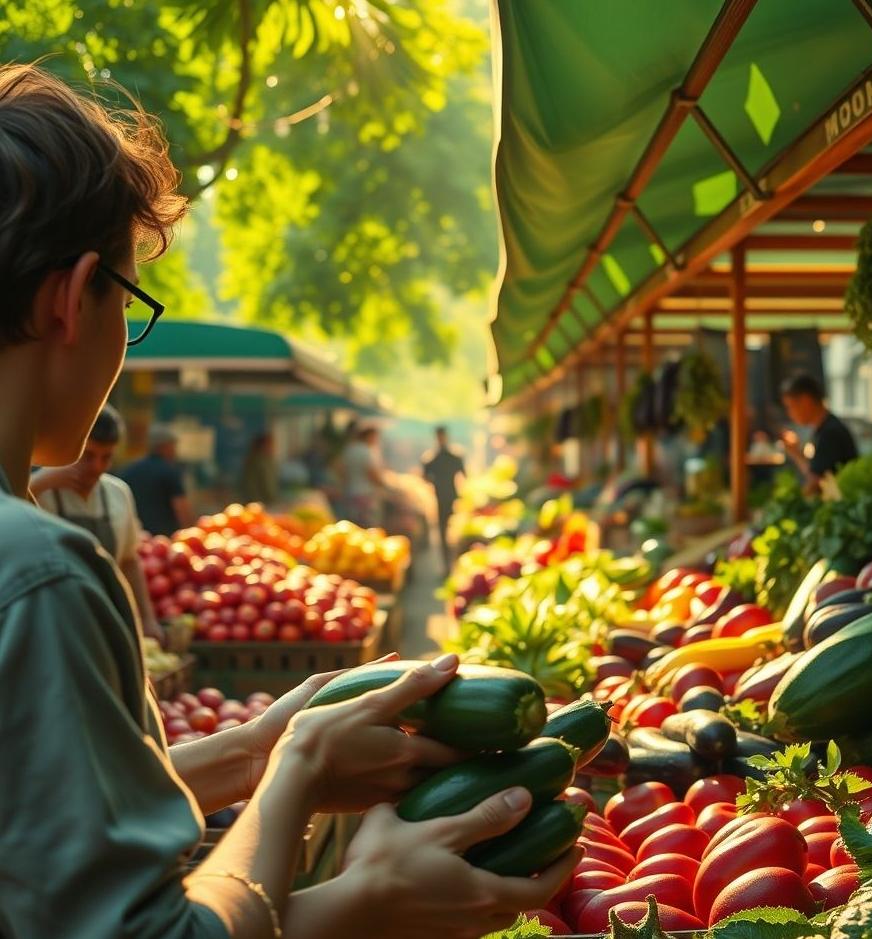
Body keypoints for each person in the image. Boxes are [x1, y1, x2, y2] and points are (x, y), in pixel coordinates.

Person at [0, 64, 576, 939]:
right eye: (133, 301)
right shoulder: (40, 574)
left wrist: (248, 750)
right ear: (75, 298)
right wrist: (310, 793)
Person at [30, 404, 164, 642]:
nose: (96, 468)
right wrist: (38, 483)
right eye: (88, 456)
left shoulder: (118, 493)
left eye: (106, 458)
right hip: (50, 625)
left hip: (104, 622)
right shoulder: (38, 491)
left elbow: (129, 561)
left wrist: (147, 619)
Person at [780, 373, 858, 494]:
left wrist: (795, 453)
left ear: (806, 401)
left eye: (791, 406)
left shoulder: (830, 433)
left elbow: (816, 480)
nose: (790, 413)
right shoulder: (825, 429)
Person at [120, 423, 195, 536]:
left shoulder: (129, 471)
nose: (175, 451)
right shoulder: (169, 472)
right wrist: (192, 535)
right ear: (164, 446)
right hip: (165, 541)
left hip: (137, 538)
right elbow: (181, 509)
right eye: (173, 445)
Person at [422, 425, 466, 569]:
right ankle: (447, 565)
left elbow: (464, 476)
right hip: (441, 498)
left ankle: (452, 564)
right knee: (444, 532)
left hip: (451, 497)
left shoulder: (450, 456)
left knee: (452, 532)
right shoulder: (433, 458)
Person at [341, 426, 385, 528]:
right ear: (369, 436)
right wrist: (383, 484)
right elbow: (372, 473)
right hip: (365, 494)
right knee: (367, 527)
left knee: (352, 526)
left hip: (351, 492)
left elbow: (340, 470)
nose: (376, 440)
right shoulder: (367, 451)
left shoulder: (350, 450)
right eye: (375, 437)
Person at [241, 431, 279, 506]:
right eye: (270, 444)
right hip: (258, 502)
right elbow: (266, 485)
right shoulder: (259, 461)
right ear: (262, 445)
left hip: (259, 502)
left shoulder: (264, 460)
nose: (273, 447)